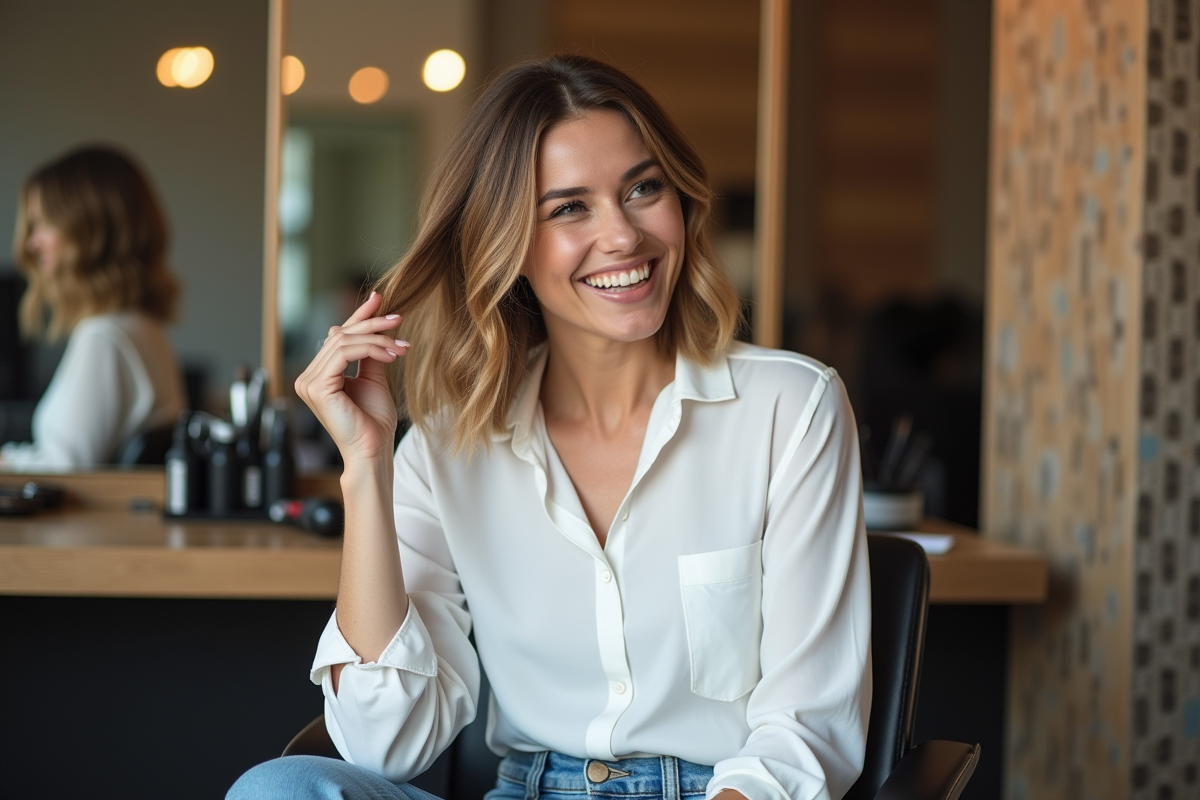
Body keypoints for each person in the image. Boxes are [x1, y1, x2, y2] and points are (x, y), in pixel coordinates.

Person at [229, 56, 870, 800]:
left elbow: (807, 727)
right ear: (507, 246)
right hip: (527, 787)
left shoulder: (791, 408)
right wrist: (366, 468)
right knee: (281, 790)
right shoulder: (445, 449)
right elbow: (386, 744)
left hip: (714, 791)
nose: (624, 236)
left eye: (642, 189)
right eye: (569, 208)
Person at [1, 146, 186, 471]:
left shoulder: (105, 337)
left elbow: (66, 468)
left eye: (42, 224)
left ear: (89, 231)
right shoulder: (143, 327)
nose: (32, 243)